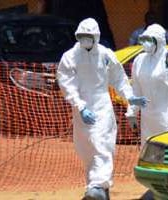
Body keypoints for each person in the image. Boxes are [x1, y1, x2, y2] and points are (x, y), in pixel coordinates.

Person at [56, 18, 148, 200]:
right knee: (87, 149)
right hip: (81, 107)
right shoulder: (70, 57)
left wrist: (129, 98)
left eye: (88, 36)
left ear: (96, 36)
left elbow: (119, 79)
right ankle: (97, 189)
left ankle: (98, 186)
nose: (85, 39)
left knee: (102, 145)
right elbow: (66, 83)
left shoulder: (106, 55)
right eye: (82, 36)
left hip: (102, 105)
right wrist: (80, 106)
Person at [126, 24, 168, 146]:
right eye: (143, 40)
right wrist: (132, 112)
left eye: (149, 40)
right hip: (148, 120)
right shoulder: (139, 60)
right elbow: (136, 90)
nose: (145, 43)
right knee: (149, 153)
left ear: (158, 40)